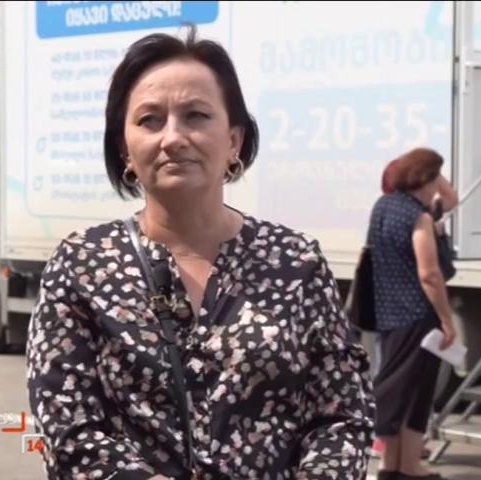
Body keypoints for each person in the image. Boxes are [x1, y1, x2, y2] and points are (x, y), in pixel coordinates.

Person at [26, 27, 374, 480]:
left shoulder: (295, 263)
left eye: (196, 116)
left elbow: (343, 415)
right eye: (150, 120)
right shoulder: (81, 266)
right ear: (124, 148)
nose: (173, 137)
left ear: (234, 140)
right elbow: (68, 428)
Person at [370, 148, 458, 480]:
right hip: (418, 314)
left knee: (397, 390)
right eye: (437, 175)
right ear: (428, 178)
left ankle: (392, 464)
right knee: (416, 392)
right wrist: (447, 319)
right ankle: (408, 466)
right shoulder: (418, 217)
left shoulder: (384, 206)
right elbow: (430, 273)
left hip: (388, 311)